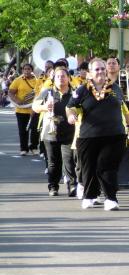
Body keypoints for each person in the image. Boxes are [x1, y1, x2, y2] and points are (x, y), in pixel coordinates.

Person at [66, 58, 129, 211]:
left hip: (114, 135)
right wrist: (71, 116)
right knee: (89, 168)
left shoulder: (115, 88)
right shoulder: (82, 90)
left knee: (106, 166)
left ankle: (111, 198)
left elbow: (124, 108)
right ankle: (90, 196)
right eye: (97, 69)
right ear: (89, 73)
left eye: (102, 69)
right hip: (88, 136)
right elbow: (70, 107)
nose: (101, 72)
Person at [32, 67, 77, 197]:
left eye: (63, 76)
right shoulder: (48, 92)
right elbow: (35, 106)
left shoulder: (74, 93)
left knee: (69, 161)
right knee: (53, 163)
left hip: (69, 132)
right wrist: (44, 107)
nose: (61, 79)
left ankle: (72, 186)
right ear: (53, 79)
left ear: (69, 78)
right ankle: (53, 186)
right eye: (58, 76)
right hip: (50, 133)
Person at [8, 63, 39, 156]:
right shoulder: (18, 80)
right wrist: (18, 101)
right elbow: (11, 92)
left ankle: (34, 147)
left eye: (28, 69)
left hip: (34, 109)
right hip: (21, 110)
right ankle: (24, 148)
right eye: (25, 69)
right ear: (22, 70)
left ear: (32, 70)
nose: (26, 71)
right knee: (23, 130)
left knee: (34, 130)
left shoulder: (37, 81)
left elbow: (40, 93)